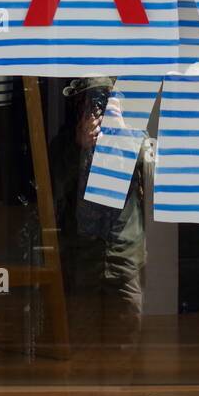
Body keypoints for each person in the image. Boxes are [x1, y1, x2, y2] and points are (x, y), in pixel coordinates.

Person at [49, 78, 152, 376]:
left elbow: (160, 175)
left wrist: (126, 135)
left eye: (105, 102)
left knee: (126, 341)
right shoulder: (66, 142)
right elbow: (49, 188)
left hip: (124, 255)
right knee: (83, 342)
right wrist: (79, 147)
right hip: (83, 256)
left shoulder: (133, 135)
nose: (97, 111)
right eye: (91, 103)